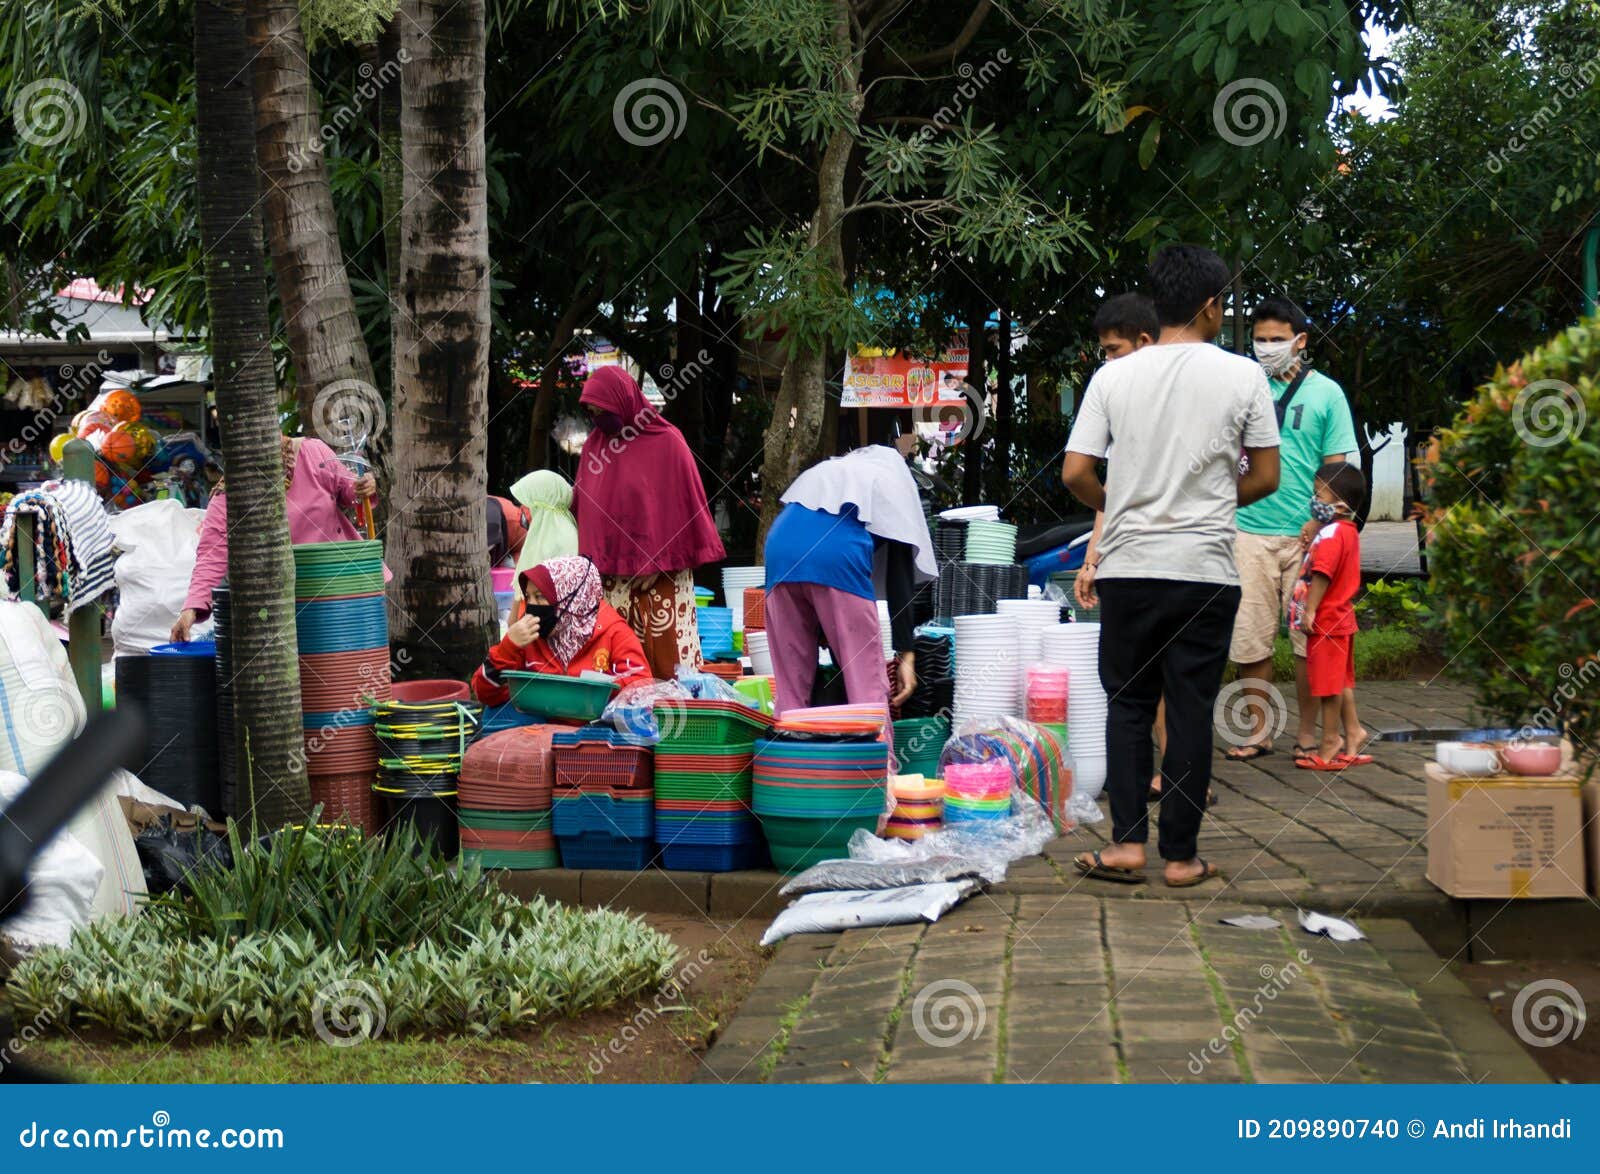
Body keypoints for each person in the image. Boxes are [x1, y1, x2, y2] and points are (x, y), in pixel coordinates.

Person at [1061, 243, 1280, 888]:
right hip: (1206, 570)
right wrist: (1208, 500)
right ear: (1212, 306)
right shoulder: (1244, 376)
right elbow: (1266, 476)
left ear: (1159, 305)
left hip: (1129, 567)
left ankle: (1126, 845)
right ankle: (1181, 858)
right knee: (1189, 710)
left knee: (1128, 705)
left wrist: (1119, 506)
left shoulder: (1113, 378)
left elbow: (1076, 472)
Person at [1227, 296, 1358, 760]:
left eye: (1277, 340)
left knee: (1311, 639)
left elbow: (1339, 472)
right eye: (1259, 339)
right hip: (1246, 530)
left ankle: (1307, 734)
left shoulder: (1327, 394)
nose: (1267, 347)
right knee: (1250, 637)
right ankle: (1258, 732)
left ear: (1300, 341)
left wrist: (1318, 521)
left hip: (1310, 537)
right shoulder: (1240, 388)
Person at [762, 439, 936, 720]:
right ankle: (880, 763)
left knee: (791, 693)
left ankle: (792, 761)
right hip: (835, 558)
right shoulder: (892, 483)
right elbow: (898, 578)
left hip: (779, 552)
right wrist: (906, 653)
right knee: (866, 691)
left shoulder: (832, 472)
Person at [1074, 293, 1169, 797]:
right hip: (1149, 556)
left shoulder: (1178, 397)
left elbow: (1081, 477)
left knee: (1150, 679)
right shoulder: (1122, 396)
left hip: (1161, 556)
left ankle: (1173, 777)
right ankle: (1171, 774)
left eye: (1114, 350)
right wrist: (1093, 556)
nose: (1107, 362)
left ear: (1145, 341)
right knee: (1153, 674)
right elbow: (1109, 493)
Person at [572, 368, 725, 678]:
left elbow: (684, 507)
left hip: (662, 579)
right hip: (612, 581)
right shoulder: (594, 447)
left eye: (604, 409)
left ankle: (684, 723)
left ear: (624, 401)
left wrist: (660, 558)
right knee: (619, 671)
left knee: (672, 670)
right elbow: (586, 511)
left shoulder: (668, 442)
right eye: (592, 411)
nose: (598, 417)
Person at [170, 433, 376, 641]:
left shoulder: (312, 452)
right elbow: (212, 555)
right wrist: (190, 610)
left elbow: (349, 488)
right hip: (284, 601)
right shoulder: (228, 494)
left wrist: (362, 487)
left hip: (344, 583)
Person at [471, 555, 651, 705]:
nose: (531, 605)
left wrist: (593, 690)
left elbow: (642, 689)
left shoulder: (614, 633)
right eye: (528, 597)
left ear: (572, 599)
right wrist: (508, 647)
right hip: (537, 727)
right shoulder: (527, 635)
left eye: (540, 597)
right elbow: (486, 695)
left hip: (594, 729)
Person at [1289, 463, 1372, 770]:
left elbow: (1322, 573)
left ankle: (1329, 743)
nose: (1314, 501)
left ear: (1339, 502)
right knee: (1340, 680)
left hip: (1326, 621)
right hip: (1341, 618)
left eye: (1318, 494)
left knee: (1326, 686)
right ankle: (1352, 734)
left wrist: (1310, 609)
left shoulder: (1332, 534)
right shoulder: (1346, 531)